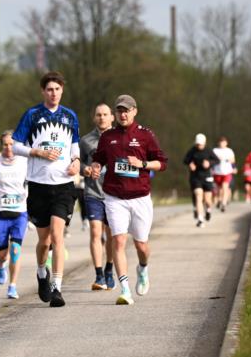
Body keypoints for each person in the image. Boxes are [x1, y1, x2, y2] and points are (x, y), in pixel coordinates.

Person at [11, 71, 81, 308]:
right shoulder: (32, 115)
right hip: (39, 185)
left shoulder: (70, 116)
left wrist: (77, 162)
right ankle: (42, 272)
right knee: (44, 240)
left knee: (58, 236)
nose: (54, 93)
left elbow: (75, 147)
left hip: (63, 185)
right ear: (43, 91)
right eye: (49, 89)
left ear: (62, 91)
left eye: (57, 89)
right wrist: (37, 152)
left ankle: (58, 288)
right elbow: (16, 145)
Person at [90, 94, 167, 306]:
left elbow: (162, 163)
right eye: (119, 111)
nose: (123, 114)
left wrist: (142, 164)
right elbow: (99, 158)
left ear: (135, 111)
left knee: (141, 245)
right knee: (119, 240)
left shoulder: (146, 135)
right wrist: (96, 166)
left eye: (127, 110)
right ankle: (125, 289)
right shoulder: (108, 136)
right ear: (115, 114)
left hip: (140, 197)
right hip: (114, 197)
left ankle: (142, 269)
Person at [78, 102, 116, 291]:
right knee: (95, 231)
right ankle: (99, 275)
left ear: (112, 117)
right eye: (98, 114)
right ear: (94, 118)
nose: (102, 117)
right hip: (93, 193)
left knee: (111, 236)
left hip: (114, 194)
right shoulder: (86, 141)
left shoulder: (120, 138)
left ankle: (109, 269)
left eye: (105, 114)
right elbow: (77, 163)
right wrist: (86, 170)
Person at [0, 130, 29, 300]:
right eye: (5, 144)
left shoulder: (25, 161)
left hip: (20, 211)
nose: (9, 147)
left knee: (16, 249)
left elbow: (33, 179)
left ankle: (12, 286)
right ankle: (1, 263)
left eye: (12, 144)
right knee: (2, 253)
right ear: (2, 145)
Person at [184, 134, 217, 227]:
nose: (199, 146)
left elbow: (216, 160)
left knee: (207, 200)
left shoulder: (209, 150)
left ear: (204, 143)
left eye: (201, 144)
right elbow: (185, 160)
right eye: (198, 144)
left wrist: (209, 163)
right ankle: (200, 219)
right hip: (196, 177)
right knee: (199, 195)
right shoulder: (192, 150)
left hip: (207, 177)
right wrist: (190, 164)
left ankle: (208, 210)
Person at [211, 136, 236, 212]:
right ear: (219, 143)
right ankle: (219, 199)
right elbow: (211, 160)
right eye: (221, 142)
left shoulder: (229, 151)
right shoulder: (215, 150)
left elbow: (233, 160)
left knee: (225, 187)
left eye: (224, 142)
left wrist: (234, 167)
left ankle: (224, 204)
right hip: (217, 172)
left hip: (227, 172)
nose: (222, 144)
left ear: (226, 143)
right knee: (219, 189)